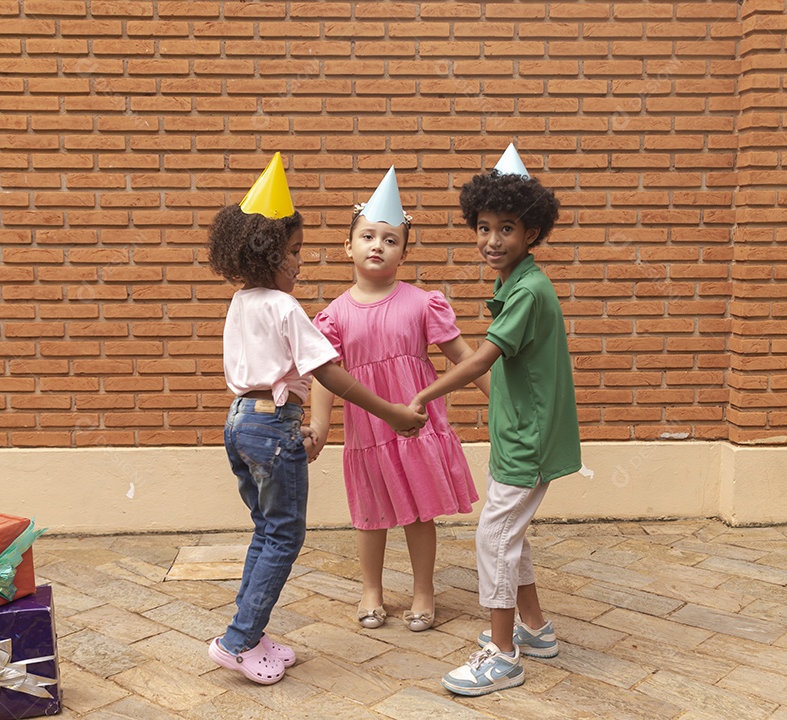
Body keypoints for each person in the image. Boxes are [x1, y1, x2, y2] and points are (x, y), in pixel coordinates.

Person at [206, 153, 427, 686]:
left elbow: (267, 377)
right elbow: (331, 373)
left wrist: (291, 424)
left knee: (266, 529)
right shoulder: (284, 308)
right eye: (295, 253)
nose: (300, 263)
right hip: (269, 423)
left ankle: (250, 634)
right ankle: (237, 642)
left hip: (241, 420)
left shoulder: (241, 302)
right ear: (270, 256)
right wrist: (392, 410)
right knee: (284, 536)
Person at [409, 144, 582, 696]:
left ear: (532, 232)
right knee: (510, 533)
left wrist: (423, 395)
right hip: (519, 434)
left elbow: (482, 357)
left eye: (506, 228)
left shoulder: (528, 290)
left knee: (494, 537)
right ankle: (535, 629)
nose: (491, 241)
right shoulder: (517, 283)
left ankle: (503, 656)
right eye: (483, 227)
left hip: (527, 440)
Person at [308, 167, 487, 633]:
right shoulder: (332, 317)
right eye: (367, 236)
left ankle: (424, 589)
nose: (377, 246)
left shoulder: (421, 303)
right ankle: (372, 589)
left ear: (404, 253)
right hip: (366, 431)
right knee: (370, 513)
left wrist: (504, 399)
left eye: (390, 240)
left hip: (415, 426)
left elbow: (465, 358)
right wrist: (322, 428)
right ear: (347, 246)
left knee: (418, 509)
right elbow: (326, 377)